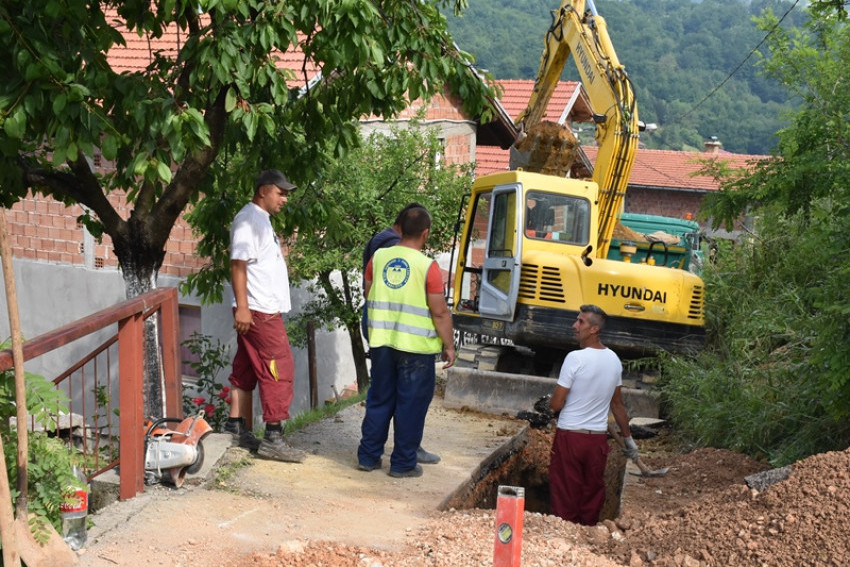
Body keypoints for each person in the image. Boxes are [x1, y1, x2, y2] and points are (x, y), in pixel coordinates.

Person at [357, 205, 456, 478]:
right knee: (410, 405)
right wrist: (449, 345)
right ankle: (402, 464)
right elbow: (439, 312)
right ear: (425, 233)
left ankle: (368, 457)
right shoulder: (428, 267)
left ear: (399, 227)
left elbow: (369, 294)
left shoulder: (377, 258)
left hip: (382, 343)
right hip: (416, 349)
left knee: (379, 399)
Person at [222, 169, 306, 463]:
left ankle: (237, 428)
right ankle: (274, 436)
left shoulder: (260, 219)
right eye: (280, 192)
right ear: (263, 190)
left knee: (247, 366)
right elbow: (238, 264)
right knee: (279, 367)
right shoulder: (248, 220)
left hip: (259, 307)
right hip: (259, 309)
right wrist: (243, 307)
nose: (284, 198)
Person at [548, 304, 639, 525]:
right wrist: (628, 439)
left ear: (594, 329)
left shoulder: (575, 358)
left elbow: (557, 404)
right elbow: (617, 405)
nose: (574, 326)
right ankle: (587, 536)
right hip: (597, 440)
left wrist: (553, 404)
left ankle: (563, 535)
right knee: (591, 492)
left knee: (565, 492)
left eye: (581, 322)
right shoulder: (614, 360)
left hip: (570, 437)